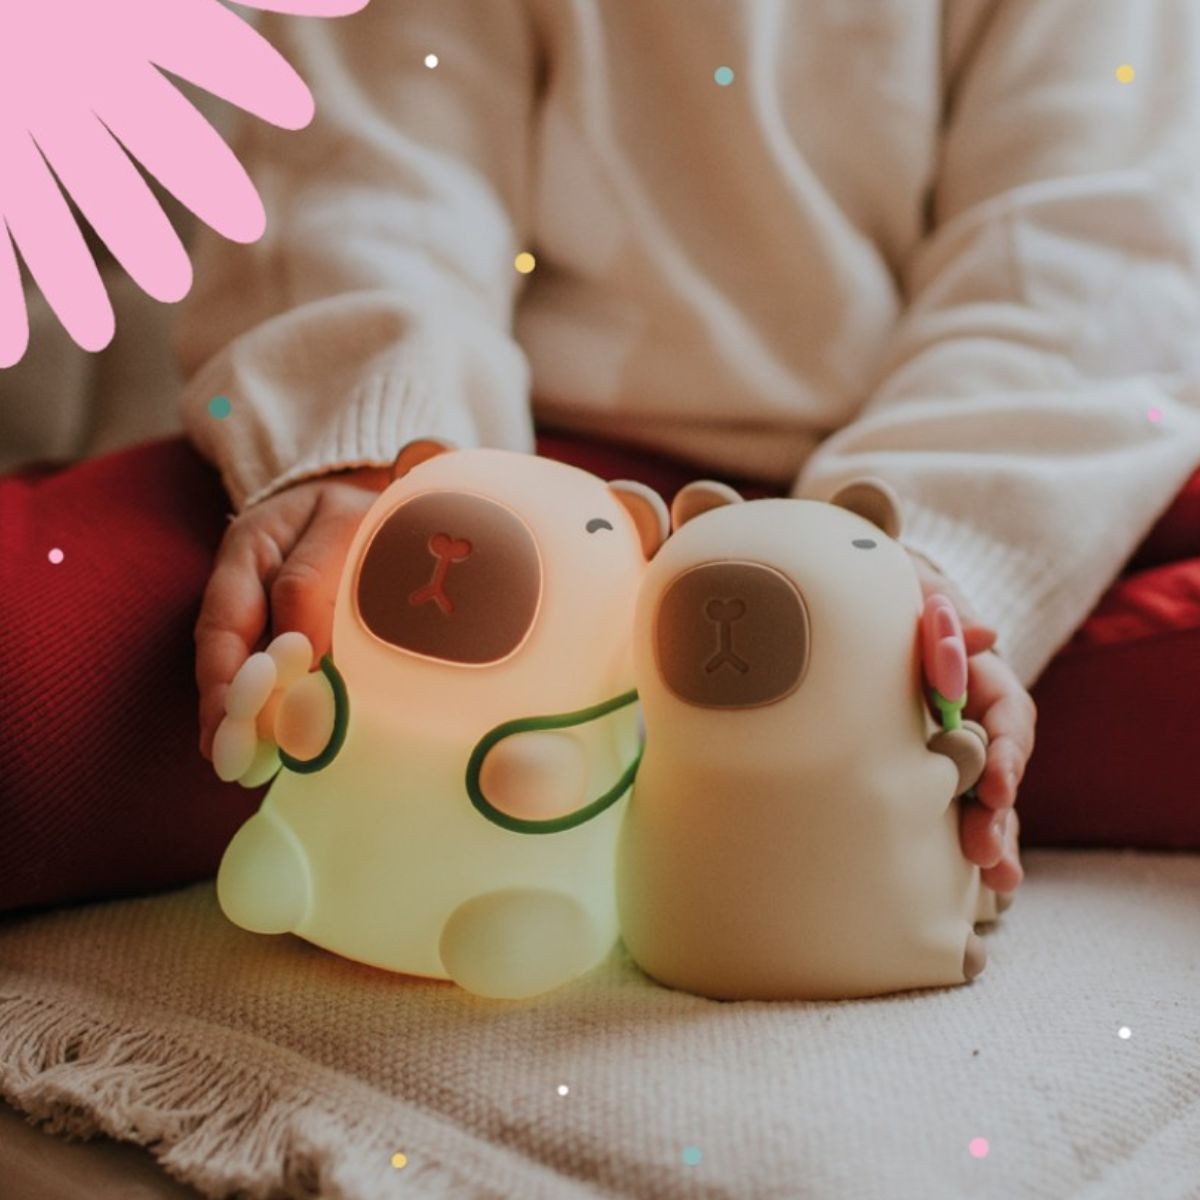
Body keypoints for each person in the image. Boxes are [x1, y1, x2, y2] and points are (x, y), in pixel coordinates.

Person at [5, 0, 1200, 913]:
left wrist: (911, 579)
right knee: (31, 699)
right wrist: (381, 451)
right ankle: (744, 748)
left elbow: (1079, 261)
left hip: (962, 472)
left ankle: (838, 718)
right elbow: (372, 156)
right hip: (515, 463)